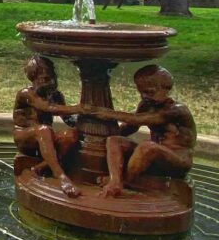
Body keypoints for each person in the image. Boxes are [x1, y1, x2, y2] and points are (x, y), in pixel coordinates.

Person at [86, 65, 195, 198]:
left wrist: (106, 113)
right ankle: (115, 181)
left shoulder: (177, 110)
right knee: (114, 140)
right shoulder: (146, 105)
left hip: (177, 160)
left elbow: (139, 119)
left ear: (165, 89)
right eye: (141, 92)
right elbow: (130, 126)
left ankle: (125, 181)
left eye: (150, 92)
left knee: (147, 146)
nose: (144, 96)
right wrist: (101, 136)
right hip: (153, 156)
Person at [14, 55, 84, 198]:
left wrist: (85, 121)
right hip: (26, 137)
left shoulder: (56, 95)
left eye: (53, 77)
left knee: (70, 134)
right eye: (45, 79)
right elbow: (46, 107)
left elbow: (69, 120)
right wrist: (79, 108)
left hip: (46, 137)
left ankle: (40, 167)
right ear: (33, 78)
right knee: (44, 130)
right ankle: (61, 176)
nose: (52, 82)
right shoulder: (26, 94)